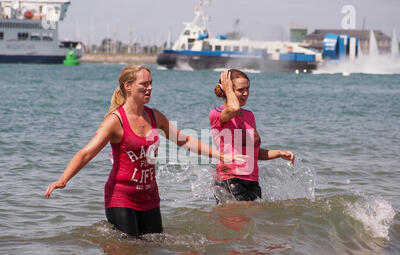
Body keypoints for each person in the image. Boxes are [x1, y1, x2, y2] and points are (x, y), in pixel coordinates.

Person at [45, 65, 243, 238]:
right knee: (128, 252)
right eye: (144, 84)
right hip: (121, 197)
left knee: (152, 252)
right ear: (128, 86)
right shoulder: (116, 121)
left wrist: (220, 155)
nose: (150, 88)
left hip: (149, 197)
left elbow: (185, 140)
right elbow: (86, 153)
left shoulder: (154, 116)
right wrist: (64, 179)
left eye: (151, 83)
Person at [209, 69, 295, 203]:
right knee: (236, 221)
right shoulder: (217, 114)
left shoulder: (249, 116)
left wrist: (279, 153)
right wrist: (228, 90)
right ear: (228, 91)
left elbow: (252, 153)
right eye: (240, 90)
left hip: (252, 182)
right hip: (229, 179)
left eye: (247, 89)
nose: (246, 93)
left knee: (252, 220)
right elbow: (234, 109)